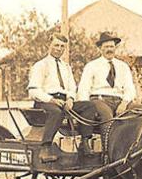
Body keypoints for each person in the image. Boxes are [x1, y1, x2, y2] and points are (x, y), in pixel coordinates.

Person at [27, 33, 96, 162]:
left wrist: (70, 99)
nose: (59, 49)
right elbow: (33, 90)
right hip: (45, 101)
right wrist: (51, 100)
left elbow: (71, 87)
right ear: (49, 45)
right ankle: (45, 148)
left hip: (64, 101)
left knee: (90, 106)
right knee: (56, 112)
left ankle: (84, 143)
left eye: (62, 46)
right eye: (56, 45)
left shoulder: (66, 67)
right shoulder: (41, 65)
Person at [77, 32, 137, 132]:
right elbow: (84, 88)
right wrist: (87, 109)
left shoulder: (123, 66)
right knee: (107, 117)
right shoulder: (92, 66)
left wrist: (124, 103)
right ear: (100, 49)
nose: (109, 49)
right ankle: (107, 147)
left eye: (112, 46)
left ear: (115, 48)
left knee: (139, 111)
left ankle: (133, 146)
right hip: (99, 100)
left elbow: (130, 88)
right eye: (106, 47)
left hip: (119, 100)